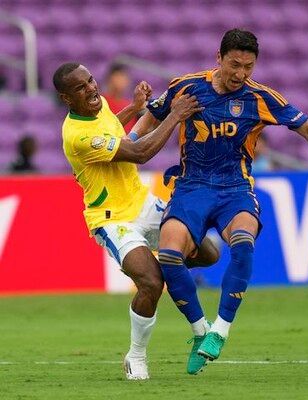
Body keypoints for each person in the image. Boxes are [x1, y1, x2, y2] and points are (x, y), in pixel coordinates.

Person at [132, 28, 308, 375]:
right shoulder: (186, 87)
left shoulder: (259, 97)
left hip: (235, 188)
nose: (240, 74)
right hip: (191, 187)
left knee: (242, 242)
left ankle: (220, 331)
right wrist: (129, 143)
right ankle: (200, 330)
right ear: (219, 58)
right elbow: (152, 115)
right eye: (234, 65)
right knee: (171, 255)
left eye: (248, 67)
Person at [53, 62, 219, 380]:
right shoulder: (76, 136)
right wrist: (174, 115)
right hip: (112, 219)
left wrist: (133, 108)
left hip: (143, 203)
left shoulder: (97, 106)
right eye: (80, 87)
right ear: (66, 98)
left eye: (91, 80)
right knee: (151, 283)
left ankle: (171, 274)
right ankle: (136, 356)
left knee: (208, 253)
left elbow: (109, 130)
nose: (91, 88)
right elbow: (140, 152)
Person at [102, 63, 138, 132]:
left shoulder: (130, 105)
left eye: (124, 77)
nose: (121, 81)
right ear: (109, 79)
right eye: (118, 77)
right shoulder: (101, 102)